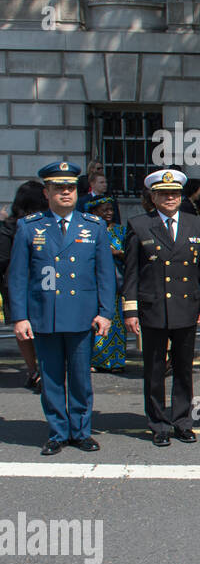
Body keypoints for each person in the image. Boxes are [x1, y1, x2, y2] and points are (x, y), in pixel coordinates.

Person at [9, 161, 115, 455]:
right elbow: (18, 277)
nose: (65, 193)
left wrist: (106, 312)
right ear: (47, 192)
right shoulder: (30, 227)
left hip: (82, 315)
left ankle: (81, 431)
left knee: (81, 378)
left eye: (70, 188)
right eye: (59, 188)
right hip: (46, 316)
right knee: (52, 378)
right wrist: (20, 317)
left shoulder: (92, 227)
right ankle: (57, 431)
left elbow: (105, 275)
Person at [121, 170, 200, 445]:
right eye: (164, 194)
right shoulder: (139, 225)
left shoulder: (196, 224)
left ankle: (183, 421)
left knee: (184, 369)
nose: (170, 198)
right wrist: (130, 310)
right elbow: (132, 272)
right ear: (153, 197)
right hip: (154, 307)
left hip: (186, 306)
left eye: (174, 193)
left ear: (181, 196)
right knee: (154, 370)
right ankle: (158, 424)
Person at [0, 180, 49, 391]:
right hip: (43, 281)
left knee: (23, 330)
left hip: (15, 284)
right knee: (44, 328)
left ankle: (33, 370)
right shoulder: (45, 224)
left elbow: (2, 259)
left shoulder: (10, 226)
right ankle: (47, 369)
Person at [82, 194, 128, 374]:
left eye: (111, 209)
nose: (109, 213)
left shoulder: (120, 231)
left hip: (115, 284)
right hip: (91, 283)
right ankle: (93, 360)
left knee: (116, 322)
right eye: (105, 210)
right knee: (92, 320)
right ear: (94, 211)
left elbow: (130, 254)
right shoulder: (87, 229)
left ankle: (115, 360)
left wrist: (116, 252)